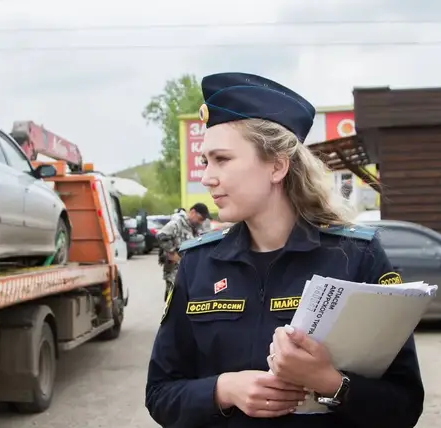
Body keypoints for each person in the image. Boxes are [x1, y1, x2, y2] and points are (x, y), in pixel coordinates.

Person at [145, 72, 425, 427]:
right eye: (205, 161)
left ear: (277, 165)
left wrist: (330, 383)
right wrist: (223, 389)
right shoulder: (198, 264)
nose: (207, 177)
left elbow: (404, 406)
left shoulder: (356, 257)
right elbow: (159, 394)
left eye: (222, 159)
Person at [156, 202, 210, 299]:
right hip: (175, 273)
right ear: (193, 212)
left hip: (188, 274)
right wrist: (172, 252)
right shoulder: (177, 223)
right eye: (200, 219)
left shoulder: (194, 228)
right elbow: (161, 235)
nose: (201, 222)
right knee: (173, 303)